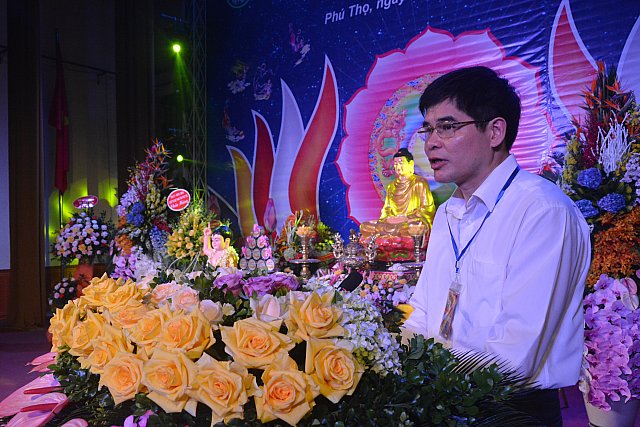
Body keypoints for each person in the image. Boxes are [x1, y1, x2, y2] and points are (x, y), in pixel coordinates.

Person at [402, 66, 591, 426]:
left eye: (447, 127)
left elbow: (514, 357)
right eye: (428, 130)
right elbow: (423, 309)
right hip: (439, 398)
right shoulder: (446, 214)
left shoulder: (542, 211)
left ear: (495, 132)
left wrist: (428, 373)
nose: (430, 143)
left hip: (511, 411)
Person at [360, 148, 436, 238]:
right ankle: (393, 235)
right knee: (365, 226)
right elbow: (387, 208)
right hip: (392, 223)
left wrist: (406, 218)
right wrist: (388, 218)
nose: (398, 166)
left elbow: (427, 209)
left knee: (415, 227)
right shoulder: (391, 186)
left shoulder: (419, 183)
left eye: (401, 163)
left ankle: (393, 236)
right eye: (395, 164)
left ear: (411, 164)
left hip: (409, 222)